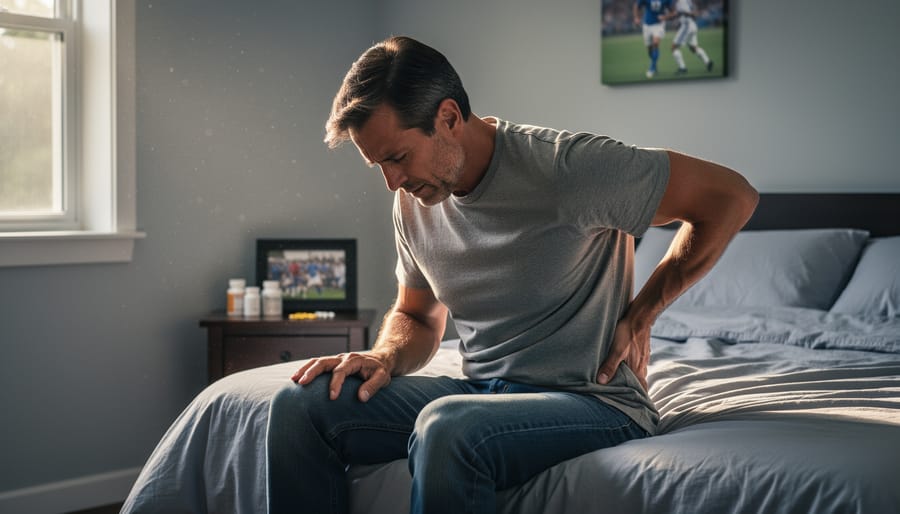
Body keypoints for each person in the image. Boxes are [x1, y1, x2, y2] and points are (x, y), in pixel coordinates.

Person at [266, 35, 758, 514]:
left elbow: (732, 198)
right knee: (298, 405)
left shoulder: (569, 168)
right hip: (481, 396)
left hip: (591, 401)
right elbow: (417, 315)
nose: (392, 182)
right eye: (378, 165)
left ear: (448, 117)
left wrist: (644, 312)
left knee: (447, 427)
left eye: (397, 157)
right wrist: (384, 355)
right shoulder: (413, 201)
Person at [668, 0, 714, 74]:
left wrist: (681, 13)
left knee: (674, 47)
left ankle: (682, 68)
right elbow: (691, 10)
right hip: (692, 25)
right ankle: (708, 62)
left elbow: (687, 13)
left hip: (687, 26)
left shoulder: (681, 1)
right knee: (693, 48)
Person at [634, 0, 673, 78]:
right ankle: (655, 65)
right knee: (649, 49)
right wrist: (637, 18)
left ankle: (651, 68)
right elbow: (636, 6)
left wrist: (665, 17)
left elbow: (673, 12)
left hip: (659, 24)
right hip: (647, 25)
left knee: (655, 43)